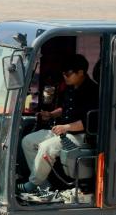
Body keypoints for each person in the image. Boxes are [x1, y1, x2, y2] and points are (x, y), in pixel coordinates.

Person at [19, 54, 98, 195]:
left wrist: (66, 127)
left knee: (46, 147)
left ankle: (33, 184)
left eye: (68, 74)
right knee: (28, 141)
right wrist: (51, 114)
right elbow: (65, 109)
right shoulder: (71, 87)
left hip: (80, 135)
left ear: (81, 72)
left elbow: (89, 122)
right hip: (64, 131)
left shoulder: (93, 91)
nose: (65, 77)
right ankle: (43, 185)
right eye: (63, 74)